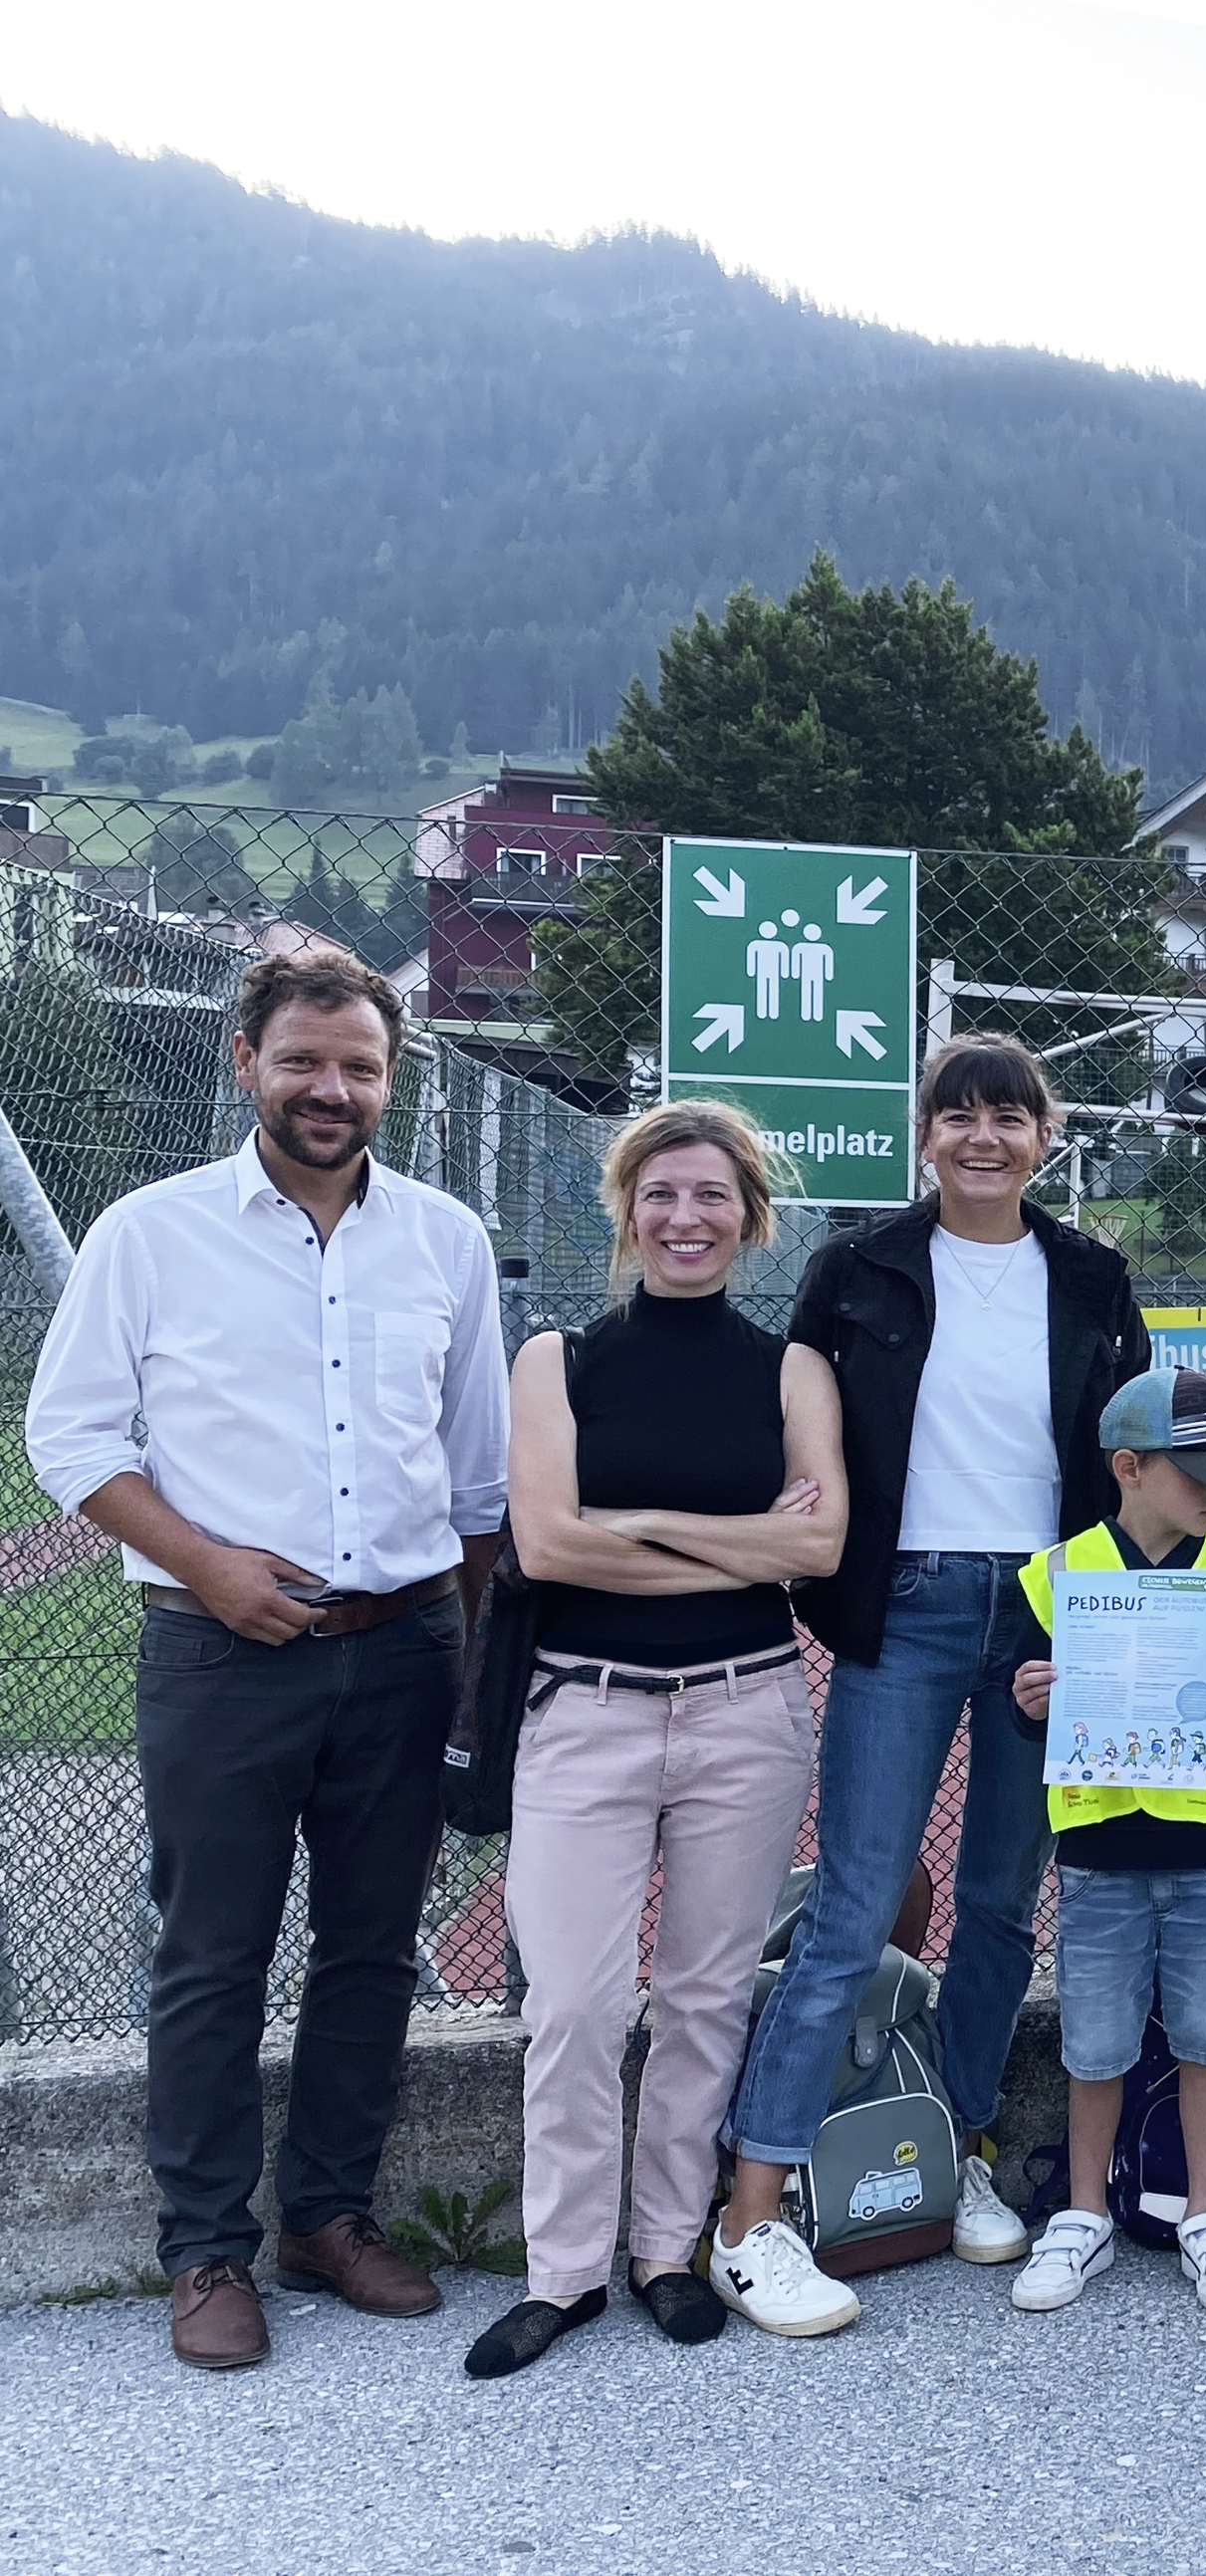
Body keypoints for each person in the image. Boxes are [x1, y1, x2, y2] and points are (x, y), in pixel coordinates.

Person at [26, 948, 506, 2373]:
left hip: (405, 1646)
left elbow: (477, 1481)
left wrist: (470, 1662)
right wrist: (210, 1567)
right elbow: (72, 1438)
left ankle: (330, 2218)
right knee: (211, 1957)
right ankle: (205, 2251)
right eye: (304, 1060)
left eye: (359, 1066)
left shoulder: (446, 1242)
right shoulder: (150, 1233)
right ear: (246, 1062)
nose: (331, 1089)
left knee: (372, 1950)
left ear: (389, 1079)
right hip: (217, 1650)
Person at [711, 1034, 1150, 2334]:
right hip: (901, 1602)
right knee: (853, 1907)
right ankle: (753, 2209)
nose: (981, 1138)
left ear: (1043, 1135)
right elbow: (804, 1428)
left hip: (1040, 1609)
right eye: (956, 1116)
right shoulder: (859, 1268)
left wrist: (1127, 1603)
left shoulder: (1090, 1273)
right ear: (925, 1134)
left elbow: (1128, 1452)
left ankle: (952, 2147)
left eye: (1006, 1118)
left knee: (1004, 1901)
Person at [462, 1104, 848, 2379]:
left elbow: (819, 1550)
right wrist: (734, 1537)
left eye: (714, 1197)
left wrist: (631, 1523)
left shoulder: (791, 1369)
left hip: (746, 1710)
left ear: (751, 1215)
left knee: (699, 1997)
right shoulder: (555, 1360)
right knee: (574, 2000)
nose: (688, 1219)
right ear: (627, 1210)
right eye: (663, 1195)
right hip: (586, 1709)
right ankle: (563, 2272)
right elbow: (551, 1545)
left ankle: (665, 2248)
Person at [1003, 1368, 1206, 2318]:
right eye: (1199, 1469)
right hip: (1097, 1857)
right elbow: (1021, 1711)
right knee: (1095, 2043)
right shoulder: (1056, 1578)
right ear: (1127, 1467)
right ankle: (1084, 2213)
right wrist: (1028, 1703)